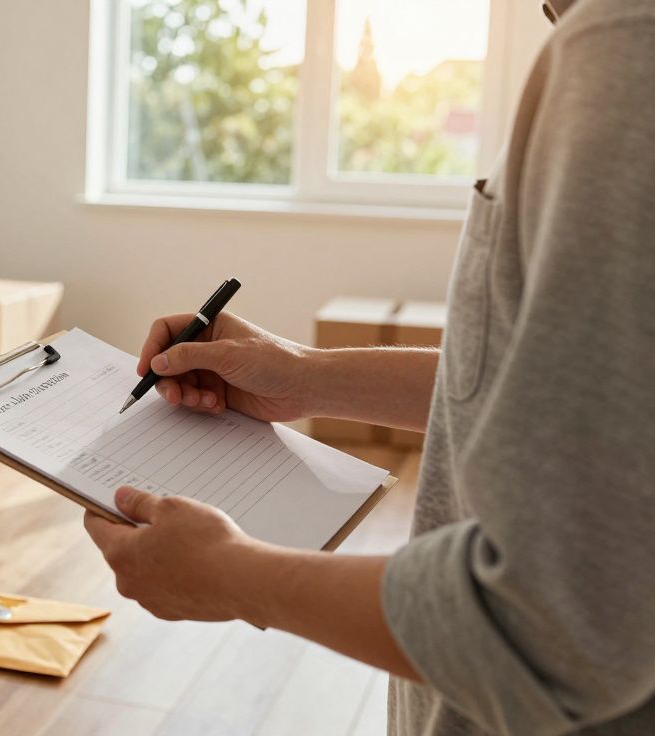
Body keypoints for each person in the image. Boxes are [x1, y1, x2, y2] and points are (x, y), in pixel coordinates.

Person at [82, 0, 655, 733]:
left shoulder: (625, 45)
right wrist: (304, 375)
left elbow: (554, 627)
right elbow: (573, 403)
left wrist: (228, 574)